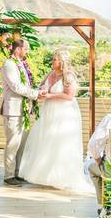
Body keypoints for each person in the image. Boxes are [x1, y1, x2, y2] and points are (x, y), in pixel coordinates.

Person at [19, 49, 92, 192]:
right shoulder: (50, 74)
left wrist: (50, 96)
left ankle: (60, 177)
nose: (52, 61)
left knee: (60, 143)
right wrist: (41, 93)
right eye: (53, 59)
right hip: (49, 111)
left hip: (64, 113)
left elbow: (69, 96)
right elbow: (41, 88)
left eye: (55, 59)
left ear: (62, 62)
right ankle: (45, 175)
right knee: (46, 141)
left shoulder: (68, 76)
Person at [0, 38, 43, 186]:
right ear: (17, 49)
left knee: (21, 144)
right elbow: (16, 87)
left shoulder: (22, 64)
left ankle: (17, 172)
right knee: (13, 143)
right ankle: (8, 175)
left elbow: (26, 84)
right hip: (13, 110)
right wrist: (36, 94)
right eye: (26, 48)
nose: (27, 51)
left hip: (23, 110)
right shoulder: (9, 65)